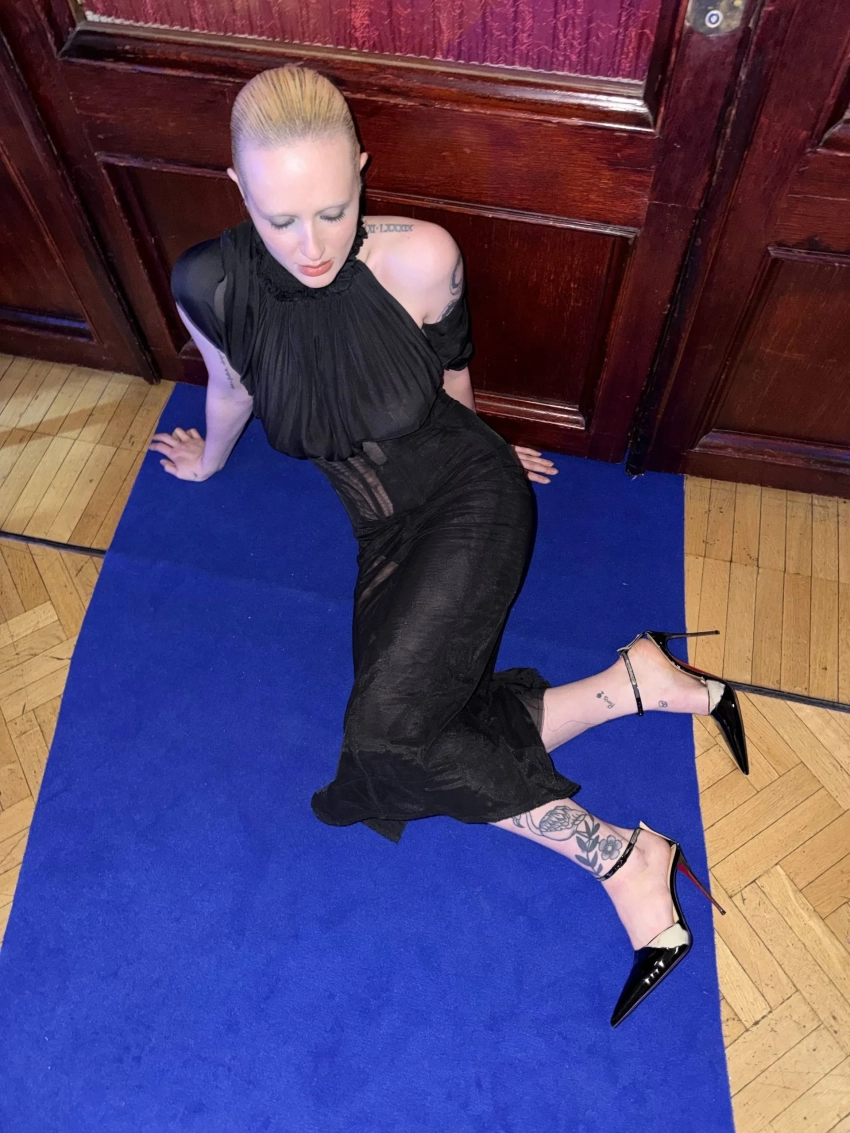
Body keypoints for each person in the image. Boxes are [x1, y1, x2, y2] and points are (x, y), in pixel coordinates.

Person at [152, 65, 748, 1027]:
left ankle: (622, 857)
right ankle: (631, 683)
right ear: (238, 192)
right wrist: (211, 459)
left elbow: (454, 376)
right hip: (381, 532)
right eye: (279, 219)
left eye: (334, 210)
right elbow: (230, 385)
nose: (311, 245)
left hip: (472, 501)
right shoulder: (208, 283)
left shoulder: (421, 257)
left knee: (383, 740)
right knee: (412, 730)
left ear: (363, 168)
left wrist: (492, 446)